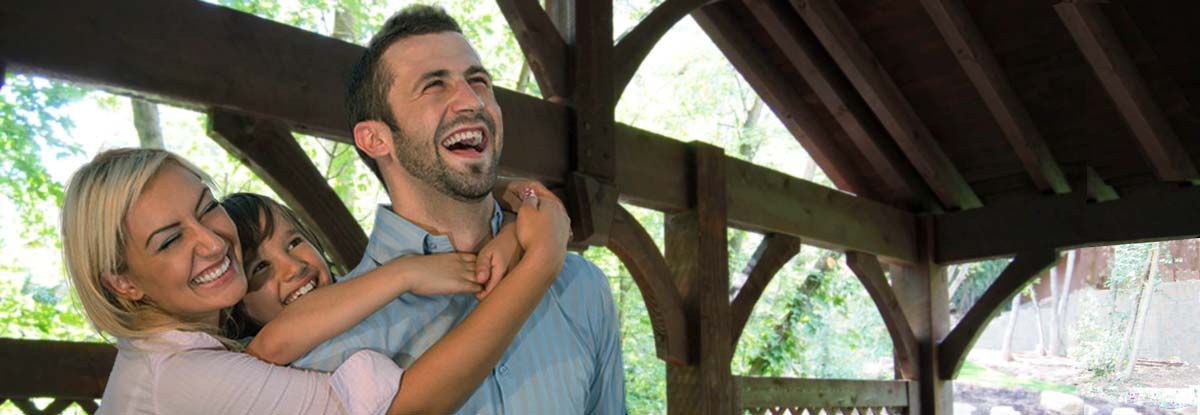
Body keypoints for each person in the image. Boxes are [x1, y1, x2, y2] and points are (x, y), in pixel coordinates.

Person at [291, 4, 627, 414]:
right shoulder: (327, 339)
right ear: (376, 140)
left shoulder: (582, 287)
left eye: (479, 81)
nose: (471, 101)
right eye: (434, 86)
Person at [60, 147, 570, 415]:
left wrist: (499, 205)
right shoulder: (182, 378)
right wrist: (543, 259)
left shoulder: (186, 353)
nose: (213, 242)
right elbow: (410, 406)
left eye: (206, 209)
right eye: (170, 241)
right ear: (124, 283)